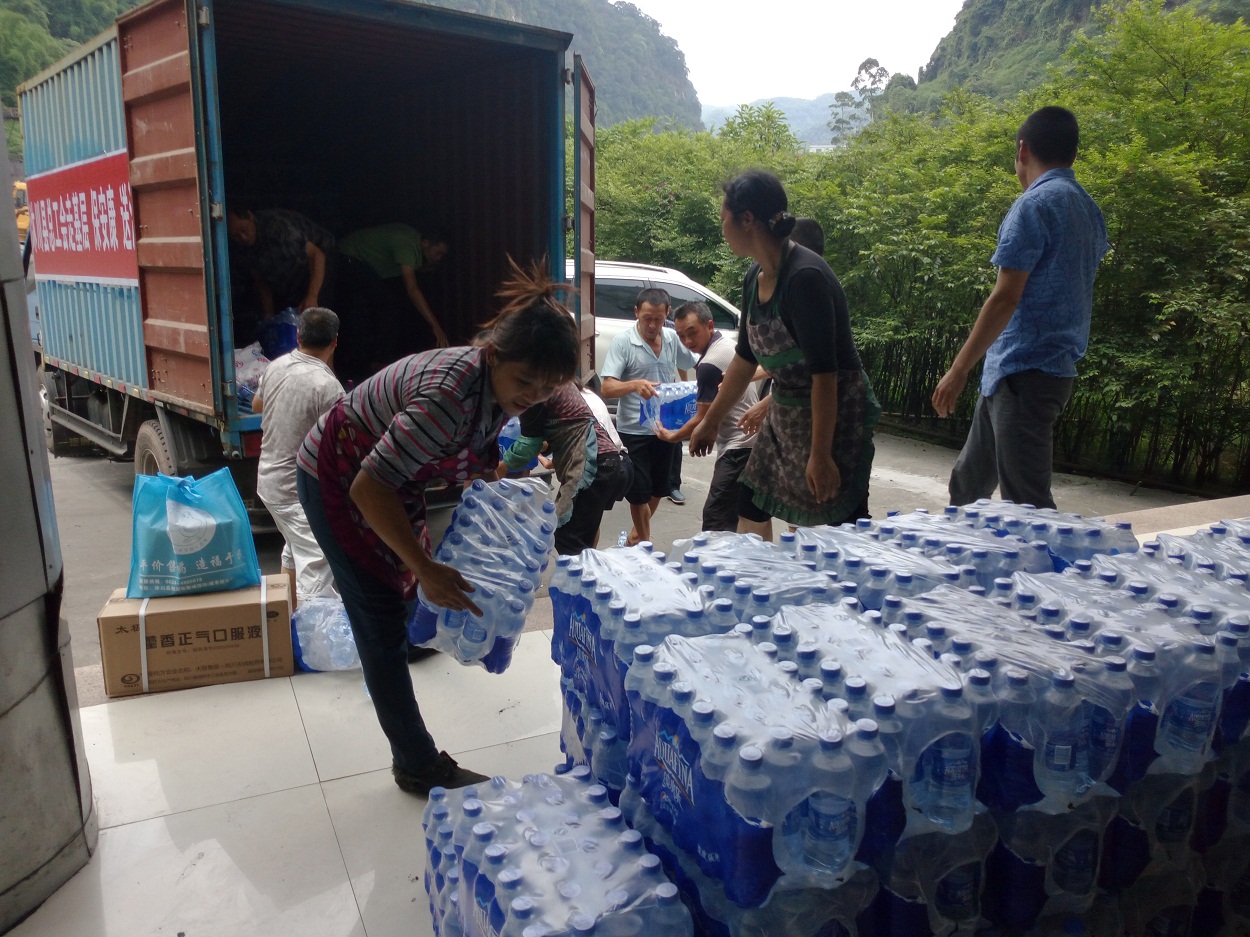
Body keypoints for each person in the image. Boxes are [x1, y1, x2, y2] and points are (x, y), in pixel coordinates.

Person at [296, 260, 580, 795]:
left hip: (391, 476)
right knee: (379, 615)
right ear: (492, 356)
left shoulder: (496, 388)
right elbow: (369, 489)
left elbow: (477, 448)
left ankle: (413, 635)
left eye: (547, 389)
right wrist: (425, 568)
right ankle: (416, 764)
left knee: (408, 584)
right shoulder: (447, 399)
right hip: (340, 473)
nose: (532, 395)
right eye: (525, 382)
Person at [932, 106, 1108, 510]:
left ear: (1022, 150)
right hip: (1017, 371)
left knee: (1027, 505)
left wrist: (958, 370)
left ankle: (1040, 557)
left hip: (1028, 373)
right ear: (1073, 154)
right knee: (968, 485)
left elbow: (1005, 298)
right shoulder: (1087, 207)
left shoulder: (1033, 205)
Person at [691, 170, 879, 528]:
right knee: (750, 501)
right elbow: (745, 358)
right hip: (787, 412)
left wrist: (820, 455)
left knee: (834, 515)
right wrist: (710, 422)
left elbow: (825, 375)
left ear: (747, 219)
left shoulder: (805, 278)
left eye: (724, 218)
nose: (723, 228)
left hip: (833, 416)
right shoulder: (754, 276)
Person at [253, 308, 344, 605]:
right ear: (335, 341)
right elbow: (339, 445)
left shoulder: (276, 366)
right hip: (296, 491)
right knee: (318, 565)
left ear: (298, 335)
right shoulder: (327, 386)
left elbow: (256, 405)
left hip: (268, 482)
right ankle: (309, 630)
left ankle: (287, 619)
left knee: (294, 549)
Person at [663, 301, 770, 538]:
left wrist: (673, 436)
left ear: (709, 325)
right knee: (753, 516)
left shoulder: (709, 365)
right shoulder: (728, 345)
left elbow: (704, 420)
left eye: (692, 332)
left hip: (739, 449)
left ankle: (721, 561)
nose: (687, 341)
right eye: (681, 336)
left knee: (716, 521)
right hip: (756, 445)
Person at [600, 287, 695, 545]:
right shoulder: (623, 342)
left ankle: (635, 536)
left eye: (658, 319)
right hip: (634, 430)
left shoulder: (672, 339)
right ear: (636, 313)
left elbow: (691, 361)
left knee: (659, 489)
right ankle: (644, 544)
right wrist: (634, 384)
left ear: (667, 314)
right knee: (639, 492)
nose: (652, 325)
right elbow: (607, 387)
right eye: (646, 318)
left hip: (666, 428)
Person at [495, 378, 633, 555]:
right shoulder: (559, 382)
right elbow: (557, 430)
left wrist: (502, 468)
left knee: (567, 536)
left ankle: (579, 571)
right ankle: (586, 568)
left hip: (592, 463)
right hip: (609, 462)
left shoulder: (537, 385)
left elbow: (529, 443)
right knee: (581, 537)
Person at [337, 222, 450, 377]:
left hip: (364, 263)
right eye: (438, 253)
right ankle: (369, 364)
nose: (438, 258)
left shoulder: (415, 245)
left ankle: (376, 360)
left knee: (388, 306)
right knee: (383, 308)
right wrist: (435, 326)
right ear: (426, 243)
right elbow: (412, 289)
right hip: (349, 256)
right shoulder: (407, 246)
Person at [227, 206, 335, 318]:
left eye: (244, 229)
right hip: (288, 276)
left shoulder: (278, 228)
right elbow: (260, 278)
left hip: (320, 260)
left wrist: (312, 295)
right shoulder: (241, 247)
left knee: (314, 314)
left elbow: (316, 255)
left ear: (250, 216)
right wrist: (269, 313)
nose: (243, 237)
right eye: (236, 235)